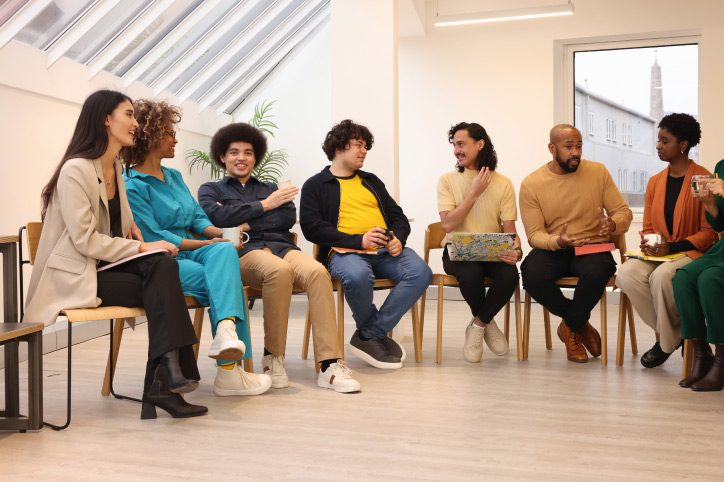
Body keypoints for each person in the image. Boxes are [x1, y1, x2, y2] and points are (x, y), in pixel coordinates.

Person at [24, 90, 206, 419]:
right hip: (78, 273)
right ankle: (165, 384)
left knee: (163, 271)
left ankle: (167, 378)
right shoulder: (76, 169)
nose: (136, 123)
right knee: (164, 283)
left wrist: (132, 224)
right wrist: (142, 245)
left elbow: (112, 226)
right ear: (106, 119)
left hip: (105, 268)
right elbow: (85, 241)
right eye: (129, 114)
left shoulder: (115, 170)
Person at [121, 100, 271, 397]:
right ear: (151, 137)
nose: (175, 139)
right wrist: (208, 242)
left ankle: (225, 336)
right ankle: (230, 373)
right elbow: (154, 235)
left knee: (225, 251)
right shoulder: (132, 184)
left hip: (193, 250)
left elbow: (197, 217)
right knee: (226, 281)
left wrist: (221, 234)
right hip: (162, 258)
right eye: (169, 133)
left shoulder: (174, 177)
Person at [197, 123, 361, 393]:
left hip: (282, 247)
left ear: (255, 157)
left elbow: (285, 217)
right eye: (234, 152)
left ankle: (329, 364)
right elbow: (217, 218)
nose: (241, 158)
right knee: (278, 270)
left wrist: (245, 218)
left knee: (318, 272)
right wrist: (265, 205)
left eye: (248, 152)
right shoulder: (210, 190)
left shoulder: (271, 186)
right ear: (222, 157)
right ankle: (273, 358)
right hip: (243, 254)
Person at [300, 119, 432, 369]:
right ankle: (373, 334)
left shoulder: (371, 180)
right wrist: (358, 240)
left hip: (385, 250)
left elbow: (398, 216)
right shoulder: (315, 185)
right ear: (339, 147)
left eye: (365, 146)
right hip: (344, 253)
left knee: (420, 272)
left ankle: (369, 333)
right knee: (357, 276)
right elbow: (312, 228)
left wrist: (397, 239)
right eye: (358, 145)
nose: (364, 151)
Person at [519, 124, 632, 363]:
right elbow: (534, 234)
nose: (575, 153)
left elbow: (622, 212)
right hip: (556, 247)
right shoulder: (532, 183)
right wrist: (557, 241)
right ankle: (580, 324)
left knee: (600, 269)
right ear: (552, 148)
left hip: (592, 246)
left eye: (579, 146)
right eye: (568, 147)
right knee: (532, 274)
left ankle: (569, 326)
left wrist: (612, 224)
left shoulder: (598, 172)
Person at [617, 114, 716, 368]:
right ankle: (680, 335)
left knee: (662, 277)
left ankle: (665, 343)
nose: (658, 146)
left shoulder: (702, 178)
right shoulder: (655, 182)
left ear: (683, 145)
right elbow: (648, 226)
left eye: (664, 141)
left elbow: (709, 233)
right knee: (625, 273)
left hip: (692, 253)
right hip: (661, 253)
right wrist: (649, 243)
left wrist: (672, 247)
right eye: (658, 140)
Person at [437, 122, 521, 362]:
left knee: (510, 274)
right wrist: (474, 193)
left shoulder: (503, 183)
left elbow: (510, 230)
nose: (456, 150)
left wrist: (517, 251)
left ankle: (478, 324)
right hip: (457, 251)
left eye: (461, 144)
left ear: (480, 144)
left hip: (492, 251)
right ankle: (487, 324)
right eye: (454, 145)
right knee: (471, 274)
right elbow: (448, 225)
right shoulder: (446, 180)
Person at [673, 158, 724, 390]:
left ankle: (722, 360)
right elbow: (720, 223)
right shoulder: (721, 167)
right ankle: (702, 356)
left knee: (710, 278)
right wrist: (710, 204)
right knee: (683, 277)